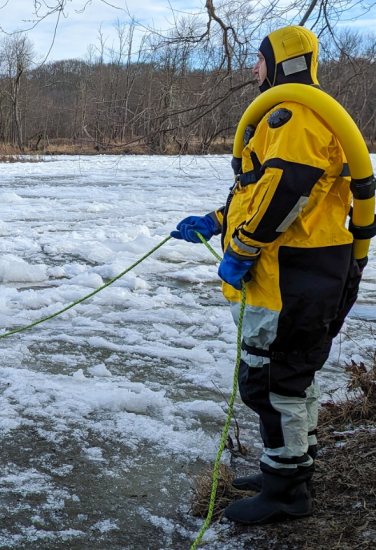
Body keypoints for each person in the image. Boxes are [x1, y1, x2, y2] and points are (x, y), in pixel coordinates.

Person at [171, 26, 365, 524]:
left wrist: (241, 248)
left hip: (291, 274)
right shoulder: (297, 115)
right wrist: (217, 222)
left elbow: (287, 191)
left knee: (272, 381)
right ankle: (292, 464)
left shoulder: (296, 115)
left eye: (258, 60)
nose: (253, 69)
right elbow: (260, 190)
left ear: (280, 61)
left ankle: (286, 492)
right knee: (294, 377)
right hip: (306, 267)